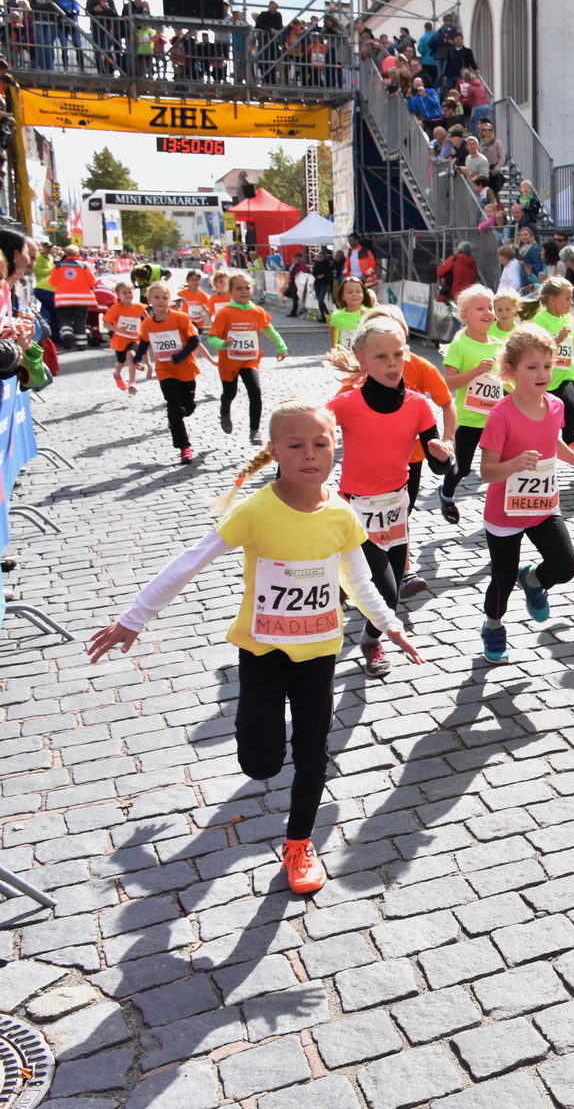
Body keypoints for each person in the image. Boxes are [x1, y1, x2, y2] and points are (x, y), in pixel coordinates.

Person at [88, 399, 423, 894]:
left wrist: (388, 625)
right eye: (296, 446)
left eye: (320, 444)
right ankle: (265, 759)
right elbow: (190, 562)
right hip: (263, 656)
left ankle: (298, 843)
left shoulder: (342, 514)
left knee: (313, 754)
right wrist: (133, 619)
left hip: (319, 656)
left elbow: (359, 579)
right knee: (261, 764)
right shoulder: (258, 511)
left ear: (336, 448)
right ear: (274, 452)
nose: (310, 455)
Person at [324, 314, 455, 677]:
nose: (392, 363)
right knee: (382, 589)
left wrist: (444, 456)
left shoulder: (417, 405)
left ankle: (368, 637)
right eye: (381, 357)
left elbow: (439, 466)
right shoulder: (346, 404)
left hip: (396, 510)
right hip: (355, 511)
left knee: (393, 592)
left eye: (398, 354)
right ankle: (371, 638)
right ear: (363, 361)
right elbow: (308, 437)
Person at [476, 327, 574, 663]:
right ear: (510, 371)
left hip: (542, 505)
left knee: (565, 566)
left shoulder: (554, 406)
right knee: (502, 580)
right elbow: (486, 471)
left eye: (547, 366)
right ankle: (493, 626)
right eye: (532, 367)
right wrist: (513, 465)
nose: (542, 374)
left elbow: (553, 442)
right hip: (505, 513)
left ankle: (533, 579)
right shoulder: (500, 415)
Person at [439, 284, 506, 524]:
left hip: (496, 420)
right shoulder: (460, 346)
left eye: (491, 307)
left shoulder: (500, 345)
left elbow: (507, 382)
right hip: (468, 419)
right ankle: (446, 494)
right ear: (465, 315)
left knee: (499, 468)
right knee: (464, 468)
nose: (488, 312)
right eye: (481, 308)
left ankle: (502, 509)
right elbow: (449, 383)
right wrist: (476, 371)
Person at [208, 272, 288, 446]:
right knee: (230, 393)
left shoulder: (257, 311)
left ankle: (255, 431)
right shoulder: (225, 313)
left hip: (249, 360)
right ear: (230, 291)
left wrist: (281, 346)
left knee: (255, 391)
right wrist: (223, 343)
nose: (244, 291)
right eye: (239, 288)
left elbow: (270, 331)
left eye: (247, 288)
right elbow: (212, 338)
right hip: (229, 362)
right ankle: (225, 409)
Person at [142, 281, 206, 463]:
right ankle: (184, 448)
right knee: (174, 408)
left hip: (186, 370)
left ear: (170, 300)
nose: (161, 301)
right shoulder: (147, 324)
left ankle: (177, 416)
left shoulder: (180, 318)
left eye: (164, 298)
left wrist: (179, 356)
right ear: (149, 300)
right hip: (164, 371)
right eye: (156, 297)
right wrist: (139, 360)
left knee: (188, 407)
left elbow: (194, 341)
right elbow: (144, 343)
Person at [530, 277, 574, 453]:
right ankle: (541, 442)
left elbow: (573, 336)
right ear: (552, 299)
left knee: (568, 402)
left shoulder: (568, 318)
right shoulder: (540, 321)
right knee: (545, 412)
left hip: (567, 371)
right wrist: (557, 339)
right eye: (567, 298)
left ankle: (570, 443)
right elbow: (537, 348)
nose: (571, 302)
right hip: (546, 375)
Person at [47, 246, 98, 349]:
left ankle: (67, 334)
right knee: (80, 320)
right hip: (82, 299)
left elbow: (52, 282)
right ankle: (82, 344)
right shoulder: (84, 265)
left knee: (65, 318)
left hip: (63, 299)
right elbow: (92, 282)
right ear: (78, 254)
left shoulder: (58, 266)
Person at [103, 279, 147, 394]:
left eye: (130, 292)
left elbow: (148, 321)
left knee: (131, 355)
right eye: (124, 293)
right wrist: (117, 328)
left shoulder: (139, 307)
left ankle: (132, 382)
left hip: (135, 338)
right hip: (120, 339)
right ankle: (117, 374)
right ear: (118, 295)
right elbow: (105, 323)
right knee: (121, 362)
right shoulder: (117, 308)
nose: (128, 295)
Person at [327, 277, 374, 351]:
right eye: (350, 292)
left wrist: (367, 318)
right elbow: (333, 330)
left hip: (365, 357)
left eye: (358, 291)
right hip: (346, 357)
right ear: (342, 296)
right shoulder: (337, 316)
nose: (354, 294)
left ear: (363, 294)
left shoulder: (371, 313)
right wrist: (334, 348)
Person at [437, 241, 480, 306]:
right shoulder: (473, 264)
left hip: (452, 294)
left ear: (459, 249)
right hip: (468, 295)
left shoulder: (454, 259)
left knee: (451, 314)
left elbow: (440, 273)